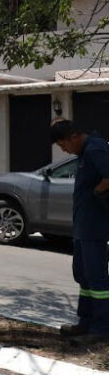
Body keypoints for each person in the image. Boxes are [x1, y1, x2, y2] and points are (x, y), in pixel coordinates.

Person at [50, 119, 109, 344]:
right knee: (84, 276)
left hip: (95, 226)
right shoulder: (85, 152)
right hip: (84, 226)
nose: (64, 150)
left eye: (63, 145)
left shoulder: (95, 148)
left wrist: (97, 192)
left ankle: (102, 327)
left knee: (97, 279)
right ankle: (86, 322)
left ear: (74, 136)